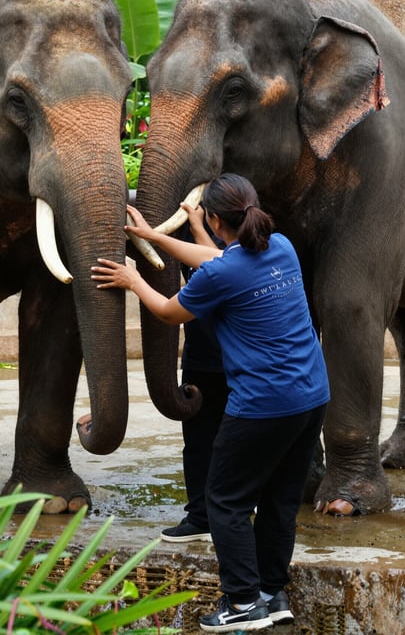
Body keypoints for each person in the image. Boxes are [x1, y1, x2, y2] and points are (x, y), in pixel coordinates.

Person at [91, 174, 329, 632]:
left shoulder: (222, 274)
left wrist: (133, 278)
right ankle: (270, 593)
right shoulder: (281, 247)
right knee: (280, 500)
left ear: (216, 219)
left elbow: (167, 311)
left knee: (225, 501)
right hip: (312, 396)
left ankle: (241, 601)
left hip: (263, 402)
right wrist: (155, 236)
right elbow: (218, 258)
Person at [161, 219, 228, 544]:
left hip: (238, 363)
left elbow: (167, 311)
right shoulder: (188, 227)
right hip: (201, 359)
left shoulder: (251, 243)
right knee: (199, 443)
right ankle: (202, 515)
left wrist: (132, 282)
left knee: (232, 444)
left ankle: (232, 512)